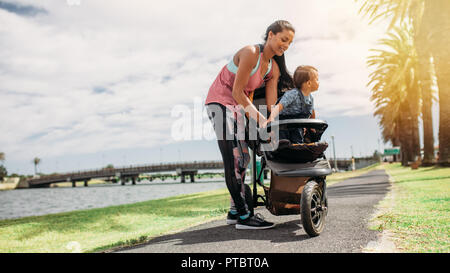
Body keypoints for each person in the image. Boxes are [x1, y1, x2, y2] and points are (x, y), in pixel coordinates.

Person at [205, 20, 295, 230]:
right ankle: (245, 216)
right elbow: (237, 92)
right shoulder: (250, 53)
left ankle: (234, 211)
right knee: (233, 158)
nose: (286, 45)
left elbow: (270, 106)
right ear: (271, 35)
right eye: (283, 39)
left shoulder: (273, 69)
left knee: (244, 158)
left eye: (289, 43)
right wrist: (259, 120)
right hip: (219, 103)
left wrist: (271, 126)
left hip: (237, 108)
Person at [262, 65, 319, 144]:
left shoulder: (310, 99)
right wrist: (270, 118)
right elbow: (279, 106)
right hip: (282, 122)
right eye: (317, 80)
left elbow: (311, 113)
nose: (318, 82)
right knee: (283, 141)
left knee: (298, 141)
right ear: (309, 83)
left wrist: (311, 127)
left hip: (297, 124)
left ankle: (296, 150)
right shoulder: (293, 94)